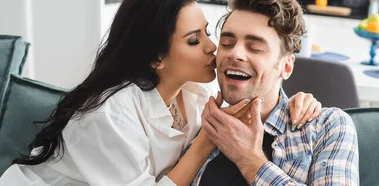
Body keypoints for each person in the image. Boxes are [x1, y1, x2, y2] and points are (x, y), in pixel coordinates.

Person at [0, 0, 322, 185]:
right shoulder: (111, 115)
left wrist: (295, 100)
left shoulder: (197, 90)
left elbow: (258, 79)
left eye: (209, 34)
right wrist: (204, 143)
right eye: (195, 41)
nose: (213, 48)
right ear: (157, 58)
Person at [194, 0, 360, 185]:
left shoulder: (327, 127)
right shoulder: (199, 120)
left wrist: (250, 160)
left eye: (255, 48)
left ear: (286, 66)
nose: (235, 53)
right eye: (227, 43)